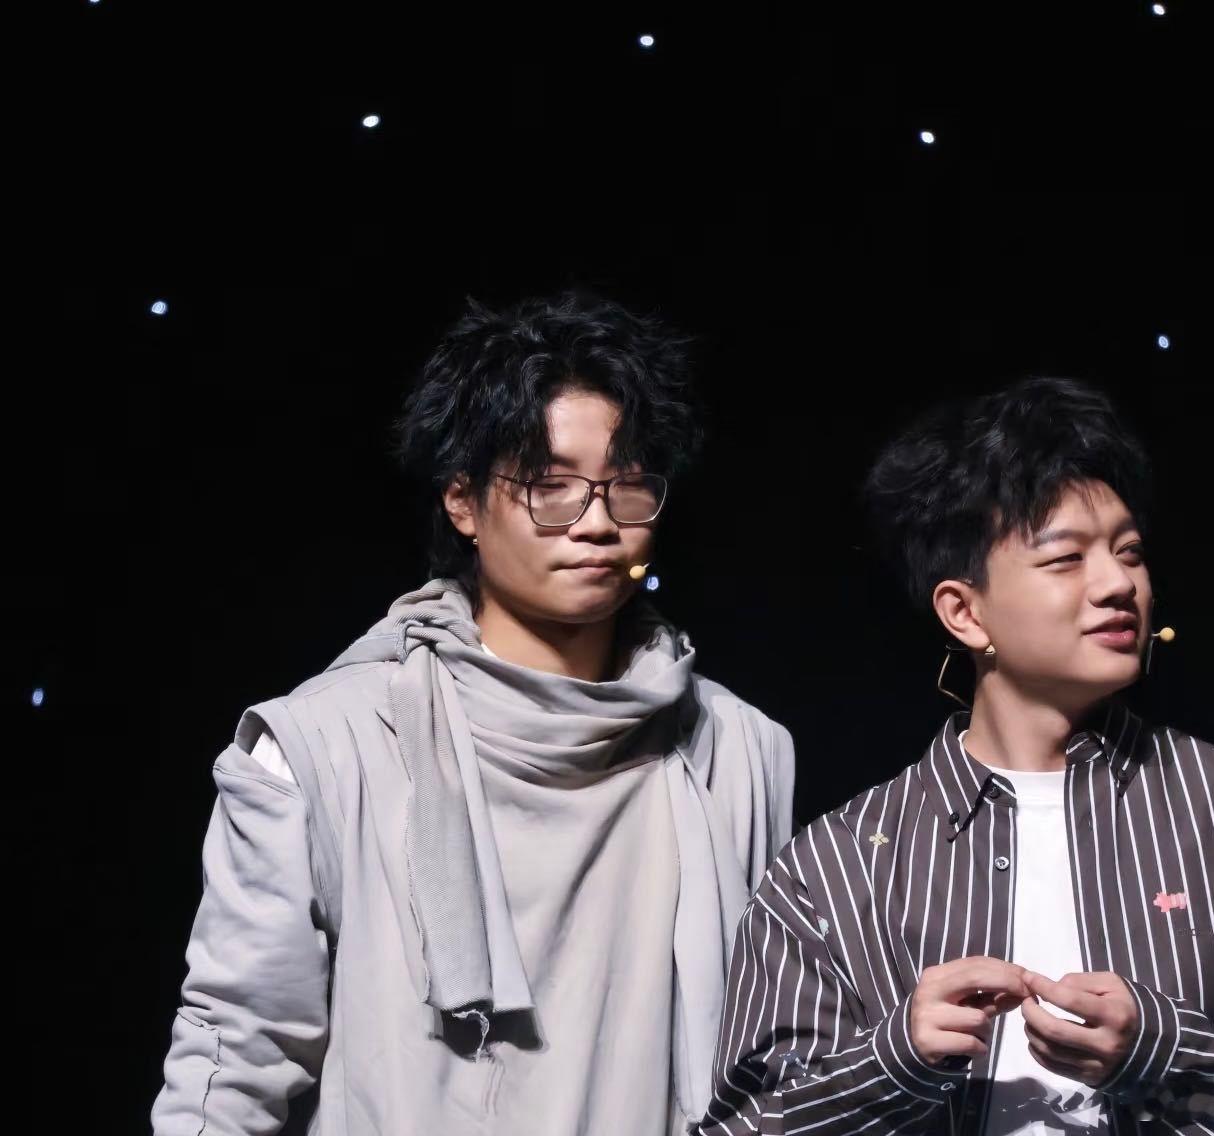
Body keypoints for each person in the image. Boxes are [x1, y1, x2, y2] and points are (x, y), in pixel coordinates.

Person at [153, 292, 796, 1136]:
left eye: (629, 487)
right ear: (463, 502)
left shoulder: (737, 750)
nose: (597, 523)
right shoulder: (323, 747)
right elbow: (234, 1055)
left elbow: (774, 1057)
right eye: (550, 487)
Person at [699, 376, 1214, 1134]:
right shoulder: (834, 870)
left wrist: (1164, 1054)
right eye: (1066, 559)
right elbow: (744, 1124)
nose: (1118, 584)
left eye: (1130, 552)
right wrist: (894, 1061)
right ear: (964, 613)